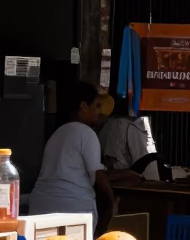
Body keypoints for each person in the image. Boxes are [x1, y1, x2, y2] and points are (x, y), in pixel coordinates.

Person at [30, 82, 138, 230]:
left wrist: (125, 174)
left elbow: (75, 172)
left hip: (40, 208)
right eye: (96, 105)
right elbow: (98, 177)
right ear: (84, 106)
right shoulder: (86, 133)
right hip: (72, 211)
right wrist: (112, 204)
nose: (98, 112)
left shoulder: (57, 134)